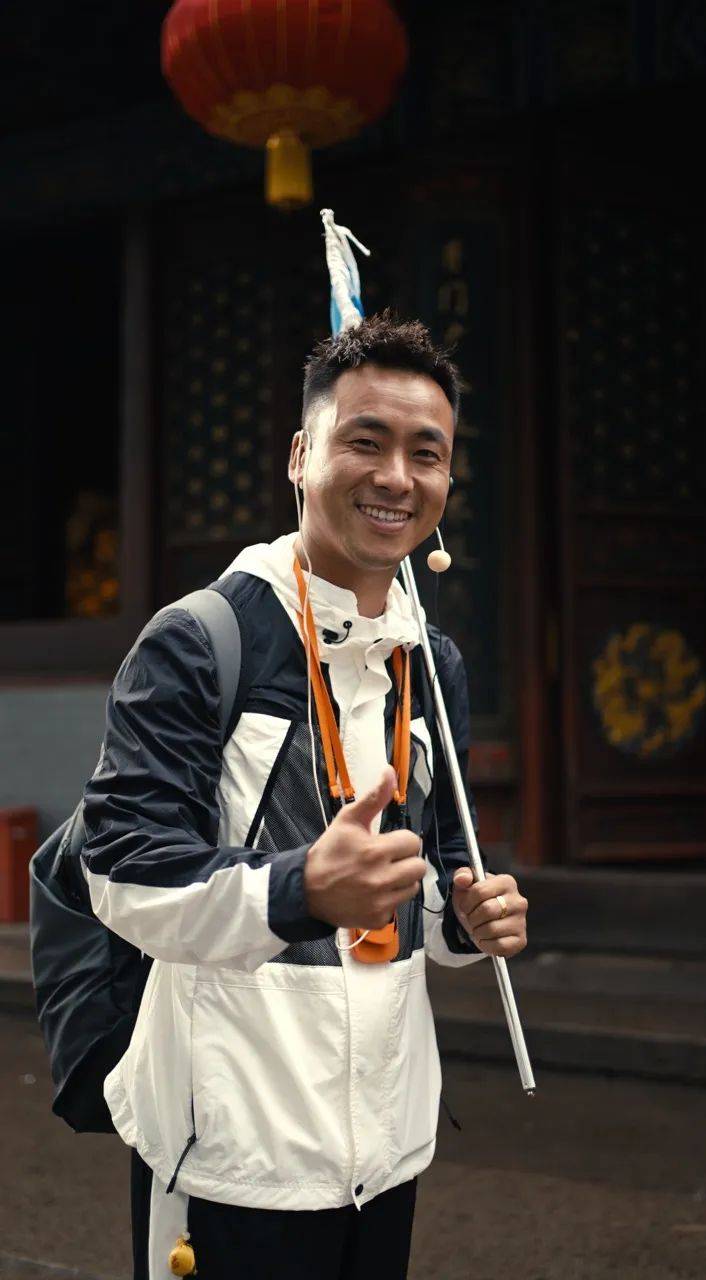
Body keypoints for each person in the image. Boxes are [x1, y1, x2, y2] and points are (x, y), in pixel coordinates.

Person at [81, 312, 529, 1280]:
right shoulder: (199, 640)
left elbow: (440, 868)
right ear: (300, 455)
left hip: (388, 1141)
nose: (396, 477)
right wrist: (300, 890)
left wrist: (465, 917)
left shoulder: (433, 662)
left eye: (426, 453)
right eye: (365, 441)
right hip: (229, 1148)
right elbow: (120, 872)